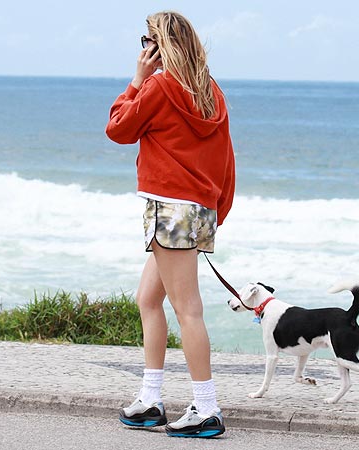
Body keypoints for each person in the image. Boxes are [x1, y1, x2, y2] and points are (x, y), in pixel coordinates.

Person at [105, 11, 235, 438]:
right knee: (148, 298)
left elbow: (118, 128)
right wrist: (213, 215)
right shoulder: (210, 91)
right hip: (196, 212)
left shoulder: (160, 86)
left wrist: (137, 79)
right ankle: (151, 399)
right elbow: (226, 163)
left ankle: (207, 407)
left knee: (188, 310)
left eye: (148, 39)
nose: (145, 47)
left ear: (158, 45)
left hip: (169, 210)